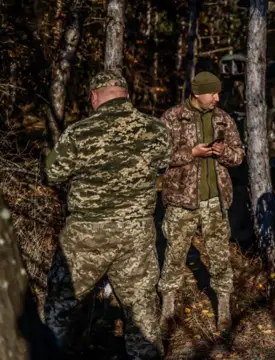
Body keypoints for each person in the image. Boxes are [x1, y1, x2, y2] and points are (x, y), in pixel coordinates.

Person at [44, 70, 172, 359]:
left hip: (86, 234)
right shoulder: (155, 129)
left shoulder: (79, 132)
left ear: (94, 97)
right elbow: (163, 164)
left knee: (62, 305)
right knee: (141, 311)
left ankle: (49, 352)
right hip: (136, 233)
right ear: (126, 95)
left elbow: (53, 173)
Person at [158, 71, 244, 333]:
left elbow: (239, 155)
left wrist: (223, 152)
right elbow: (158, 158)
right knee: (174, 255)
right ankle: (167, 309)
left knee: (220, 256)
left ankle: (224, 310)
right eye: (213, 93)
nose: (217, 98)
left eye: (218, 93)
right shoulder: (172, 118)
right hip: (181, 202)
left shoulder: (223, 119)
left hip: (215, 202)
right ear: (197, 93)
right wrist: (191, 153)